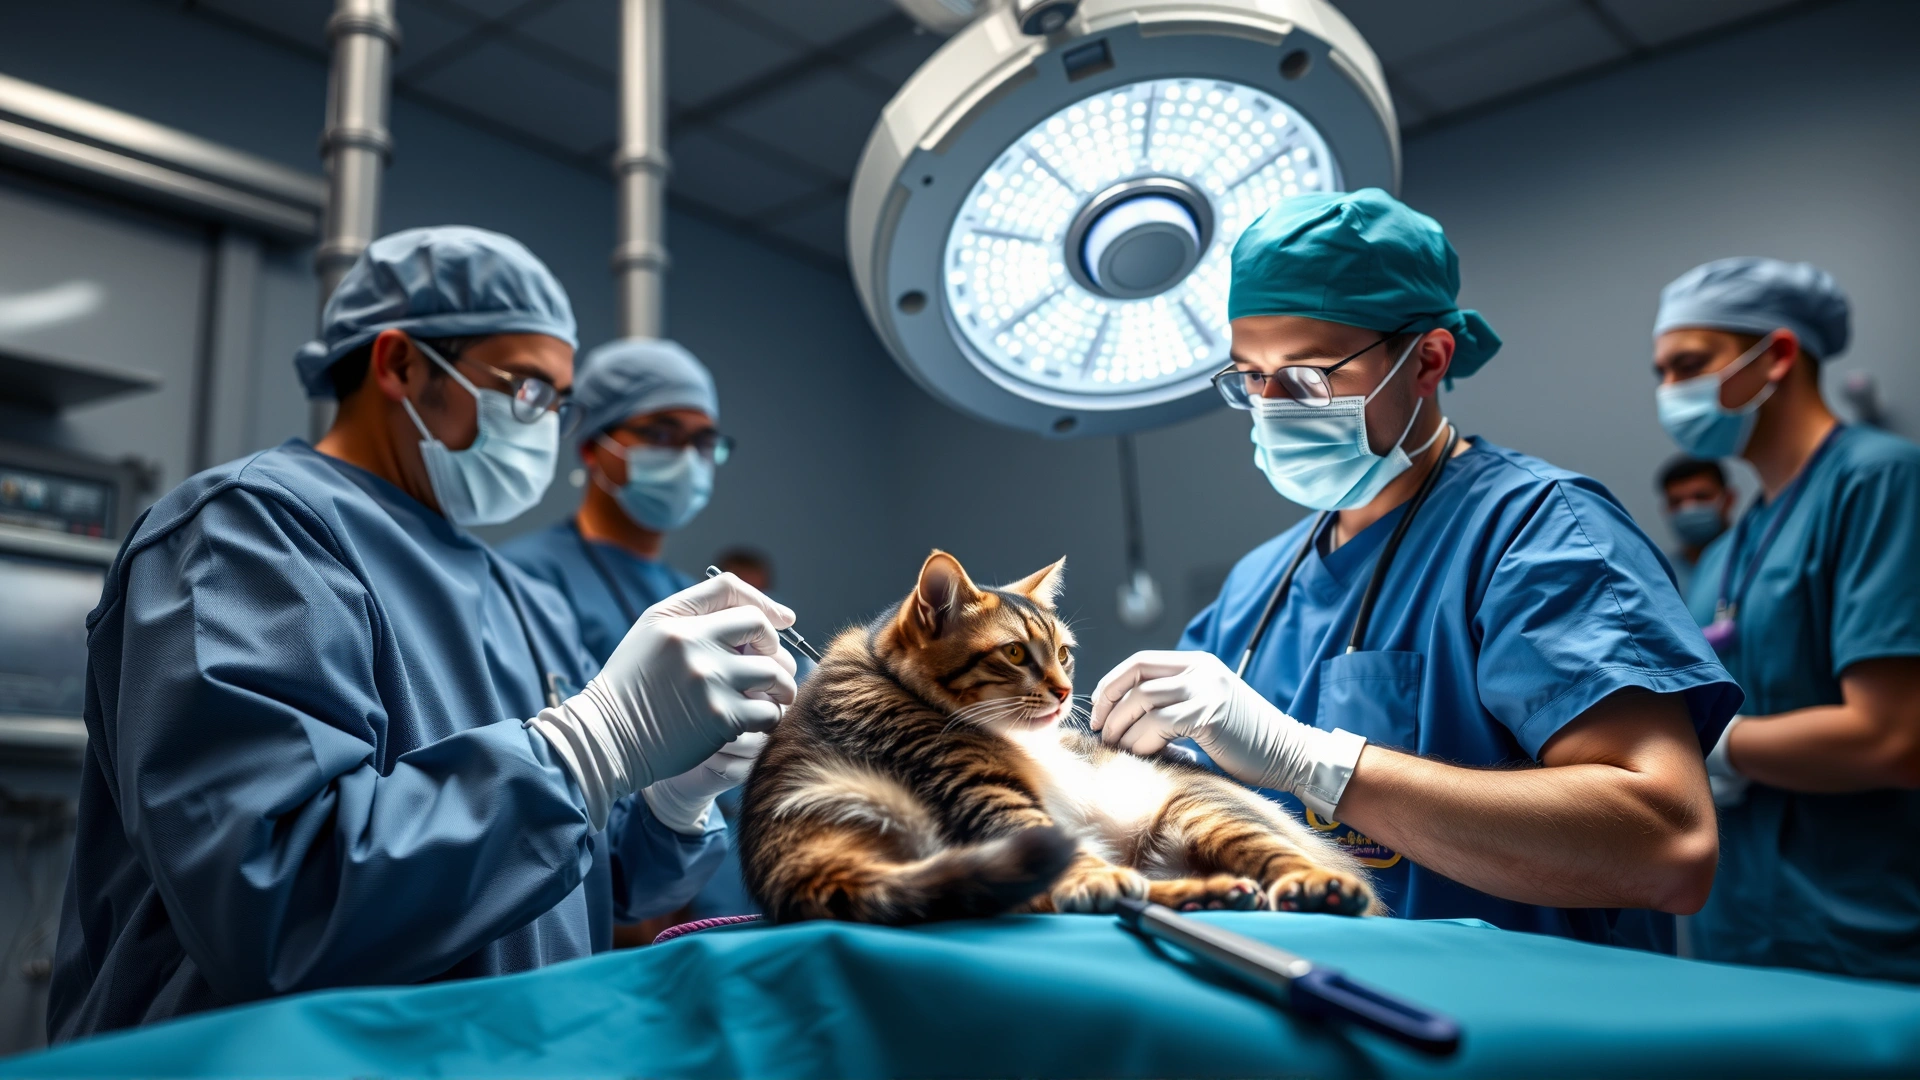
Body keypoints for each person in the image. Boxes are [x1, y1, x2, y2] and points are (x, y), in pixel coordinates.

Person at [48, 227, 798, 1041]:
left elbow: (600, 883)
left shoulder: (519, 596)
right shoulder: (248, 532)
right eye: (528, 391)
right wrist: (588, 747)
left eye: (559, 400)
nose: (546, 424)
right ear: (401, 365)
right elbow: (277, 900)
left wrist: (672, 800)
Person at [1091, 190, 1737, 951]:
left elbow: (1669, 850)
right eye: (1249, 379)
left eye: (1303, 380)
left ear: (1427, 359)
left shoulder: (1539, 532)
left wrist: (1309, 761)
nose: (1270, 409)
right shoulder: (1256, 588)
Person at [1651, 256, 1920, 981]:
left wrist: (1727, 749)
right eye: (1663, 373)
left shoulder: (1879, 481)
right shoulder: (1727, 551)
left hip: (1862, 928)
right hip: (1737, 926)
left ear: (1776, 355)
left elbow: (1894, 738)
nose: (1672, 391)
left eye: (1690, 364)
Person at [499, 339, 759, 928]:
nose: (688, 458)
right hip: (595, 901)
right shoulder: (521, 579)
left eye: (703, 441)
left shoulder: (694, 591)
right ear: (595, 448)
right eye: (663, 434)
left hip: (726, 899)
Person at [1657, 456, 1734, 591]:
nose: (1688, 509)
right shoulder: (1661, 576)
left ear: (1728, 500)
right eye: (1676, 502)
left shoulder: (1754, 562)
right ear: (1666, 509)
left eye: (1701, 497)